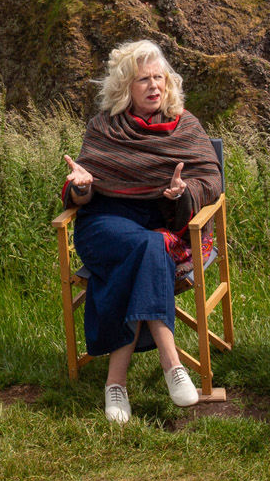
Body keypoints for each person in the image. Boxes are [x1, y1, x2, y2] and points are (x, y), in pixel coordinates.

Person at [61, 38, 224, 423]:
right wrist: (81, 187)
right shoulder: (103, 127)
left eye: (159, 78)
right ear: (124, 88)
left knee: (149, 247)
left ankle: (115, 384)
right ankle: (173, 365)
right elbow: (79, 191)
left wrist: (182, 193)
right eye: (143, 80)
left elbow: (211, 180)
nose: (154, 86)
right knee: (147, 250)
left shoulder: (186, 126)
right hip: (104, 223)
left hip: (159, 221)